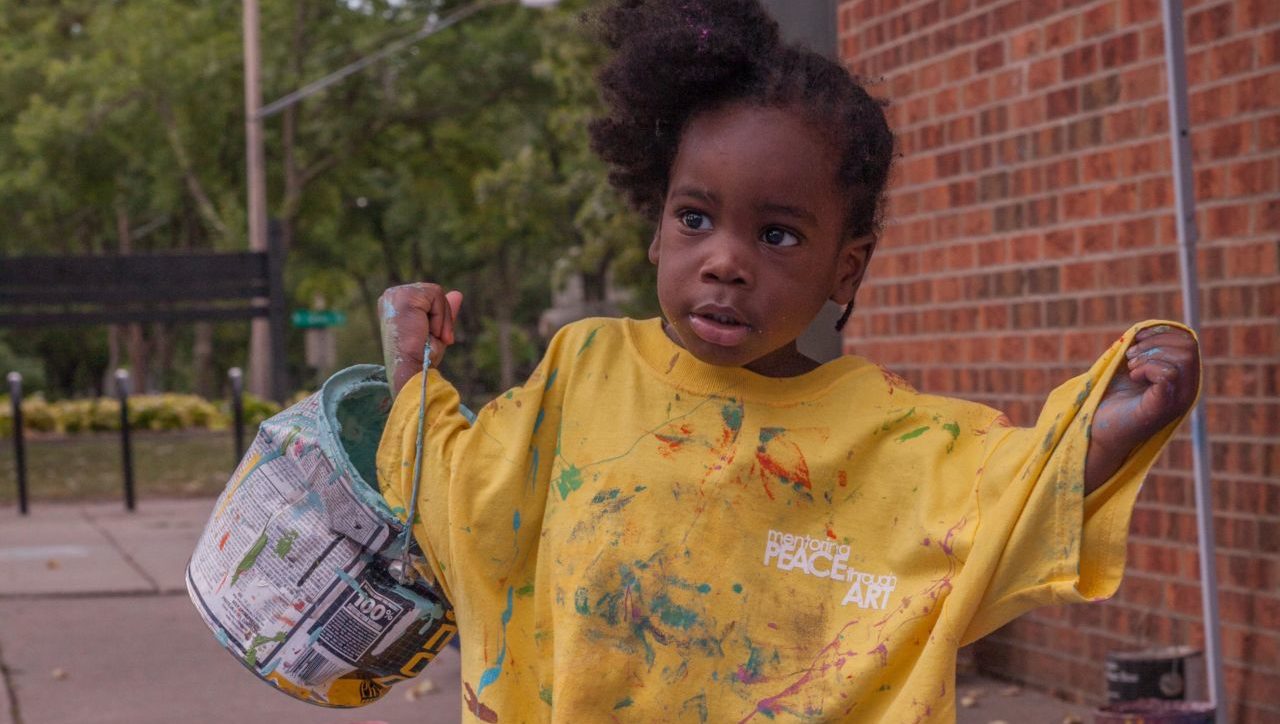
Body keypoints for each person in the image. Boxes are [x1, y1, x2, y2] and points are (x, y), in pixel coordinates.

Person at [375, 0, 1200, 720]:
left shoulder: (896, 438)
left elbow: (1013, 502)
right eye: (696, 217)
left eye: (777, 235)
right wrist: (412, 372)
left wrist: (1113, 427)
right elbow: (462, 502)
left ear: (847, 266)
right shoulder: (585, 369)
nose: (726, 261)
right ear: (657, 225)